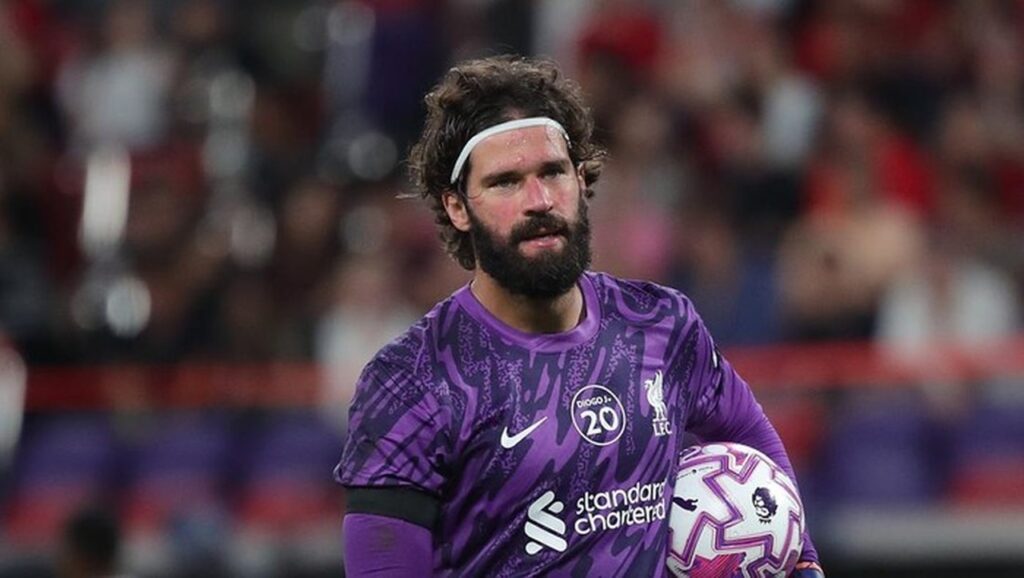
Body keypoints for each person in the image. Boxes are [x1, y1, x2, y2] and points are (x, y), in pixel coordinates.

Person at [335, 55, 824, 577]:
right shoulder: (412, 379)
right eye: (506, 182)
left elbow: (753, 442)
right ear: (458, 207)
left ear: (581, 177)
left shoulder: (662, 324)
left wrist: (803, 562)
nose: (539, 200)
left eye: (552, 172)